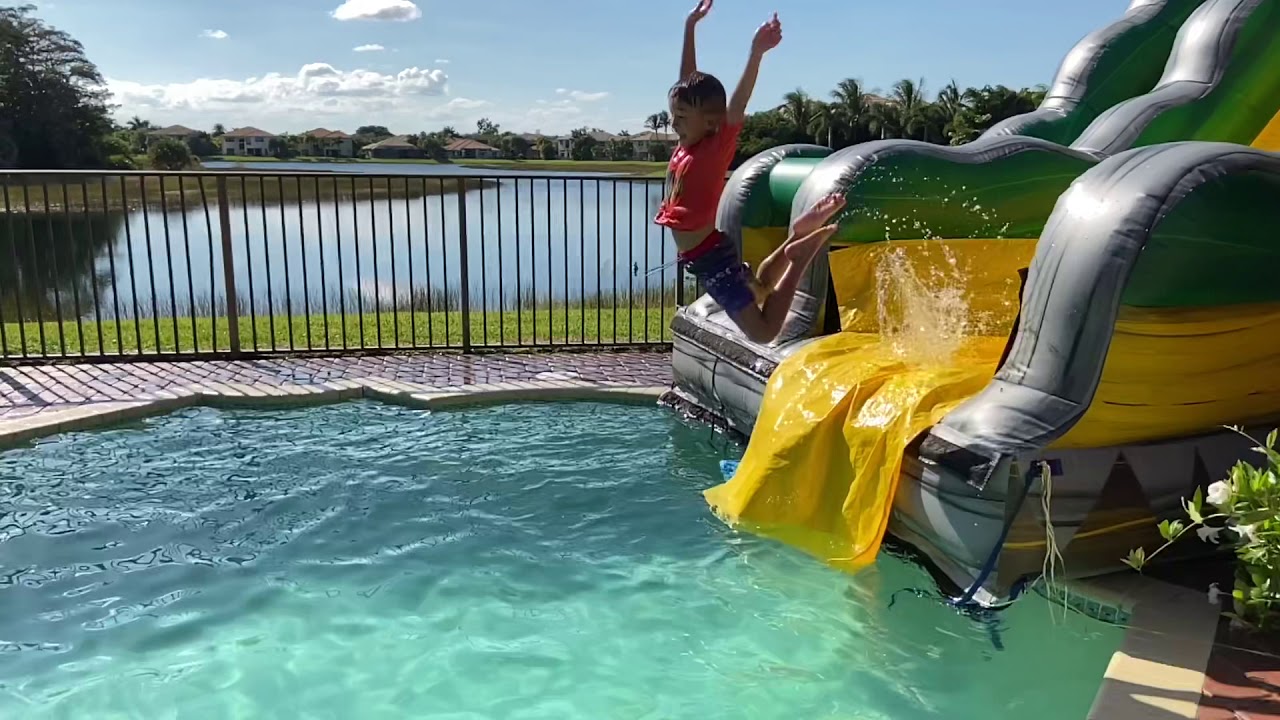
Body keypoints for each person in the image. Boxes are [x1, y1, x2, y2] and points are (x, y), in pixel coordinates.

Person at [656, 0, 846, 344]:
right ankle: (798, 237)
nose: (674, 122)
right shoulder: (687, 145)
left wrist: (757, 52)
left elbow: (738, 103)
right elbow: (686, 83)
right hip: (706, 256)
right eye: (674, 114)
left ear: (710, 121)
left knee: (764, 331)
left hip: (712, 259)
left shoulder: (714, 148)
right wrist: (690, 26)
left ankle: (798, 257)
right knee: (759, 289)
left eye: (681, 117)